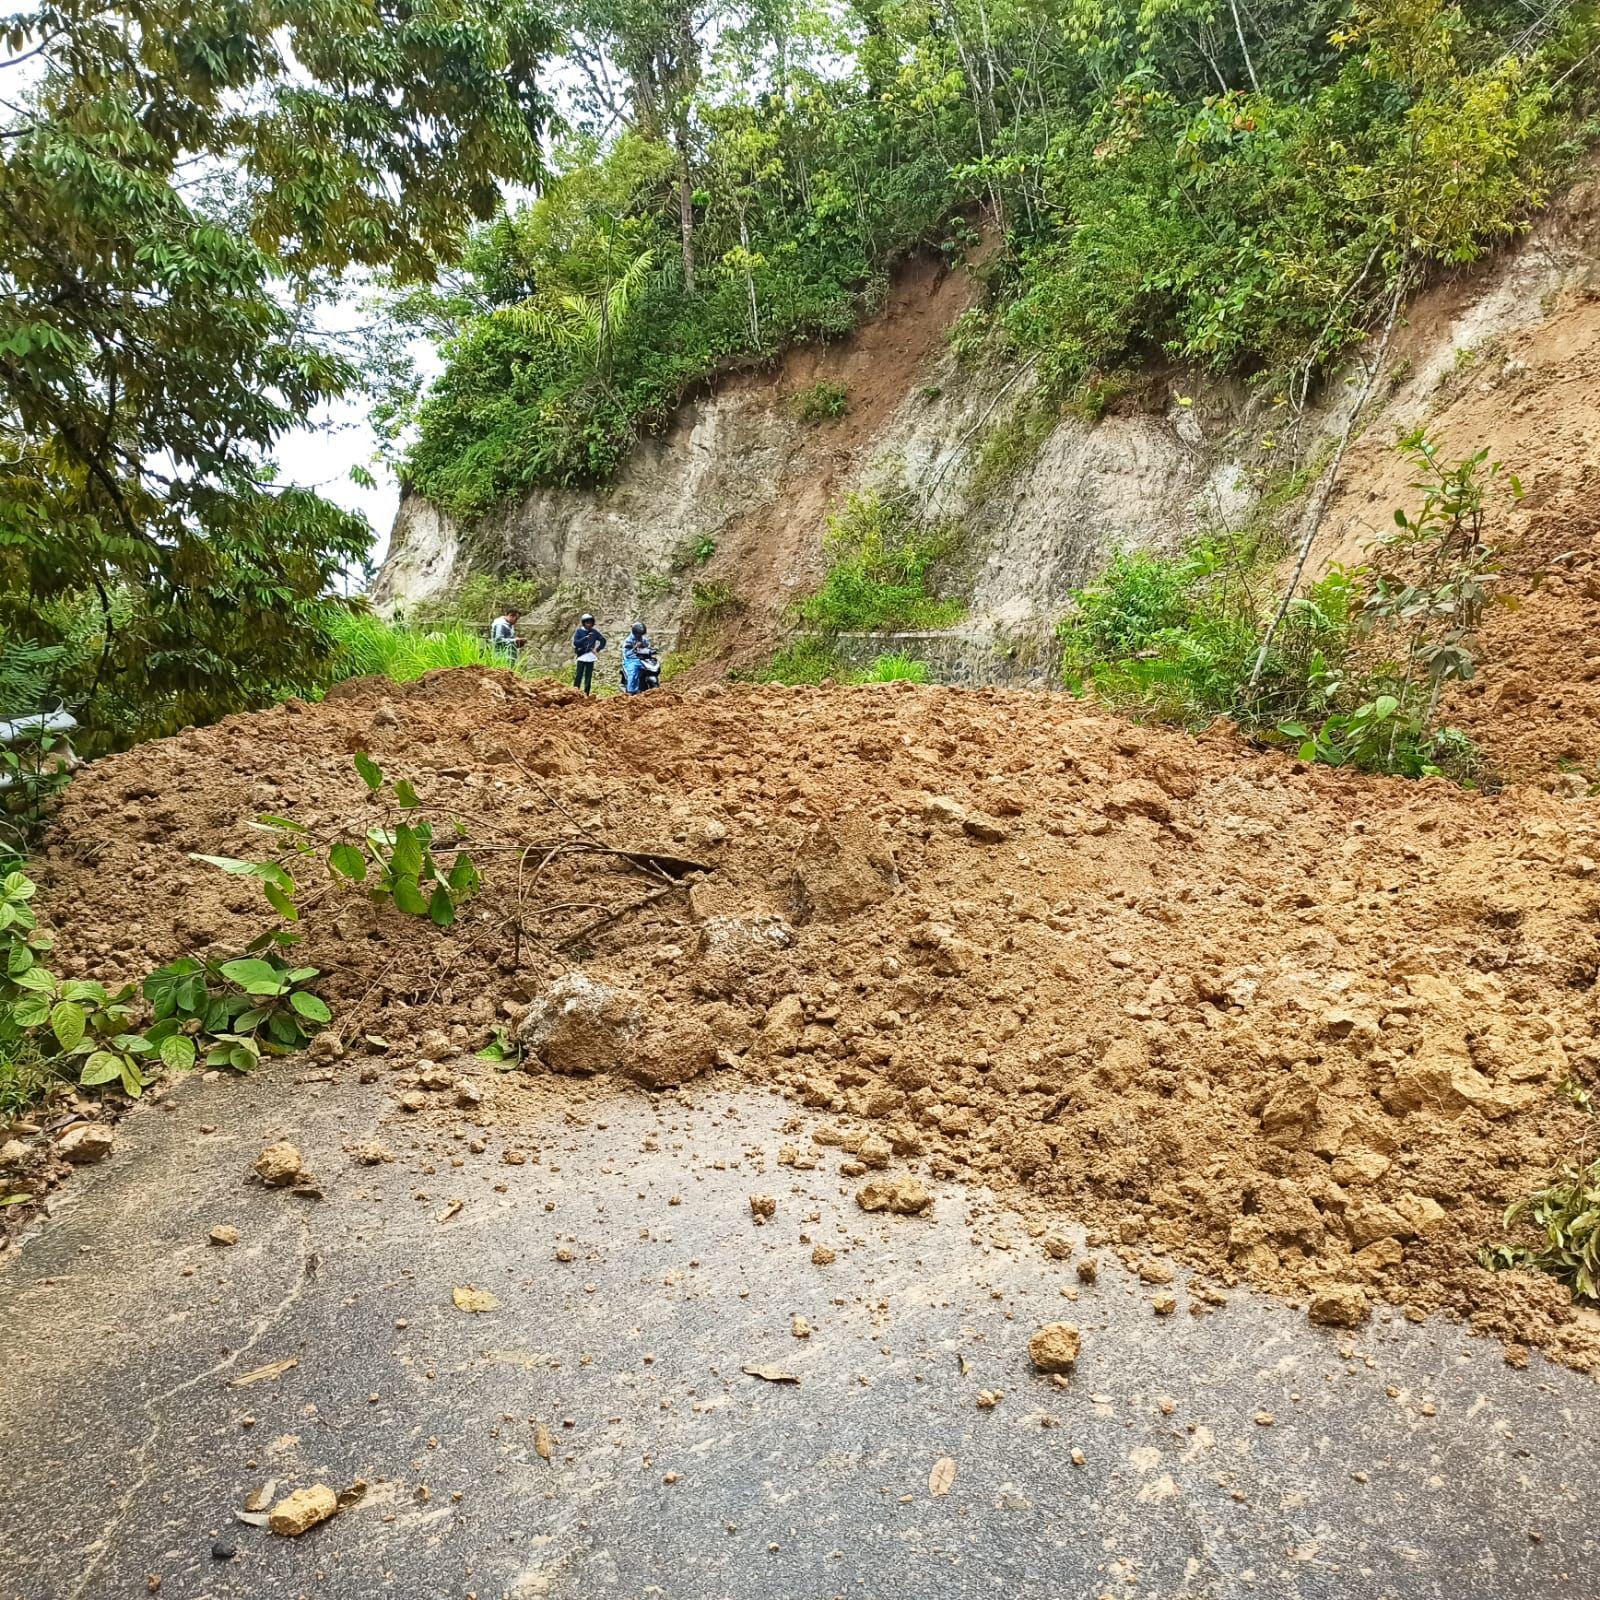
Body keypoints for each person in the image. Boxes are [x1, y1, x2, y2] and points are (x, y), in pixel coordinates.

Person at [571, 612, 606, 695]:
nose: (589, 624)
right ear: (584, 623)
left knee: (588, 676)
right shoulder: (579, 632)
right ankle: (575, 691)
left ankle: (586, 693)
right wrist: (585, 638)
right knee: (579, 675)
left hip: (590, 655)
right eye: (587, 622)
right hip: (581, 655)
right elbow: (576, 643)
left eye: (590, 623)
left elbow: (603, 640)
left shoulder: (594, 632)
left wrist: (598, 649)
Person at [621, 621, 658, 695]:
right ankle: (631, 691)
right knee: (633, 672)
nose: (640, 635)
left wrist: (652, 651)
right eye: (639, 634)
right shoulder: (628, 640)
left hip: (643, 659)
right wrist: (635, 647)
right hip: (631, 659)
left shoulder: (644, 639)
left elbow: (648, 647)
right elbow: (627, 653)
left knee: (653, 666)